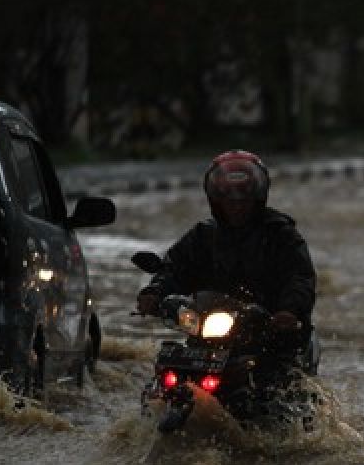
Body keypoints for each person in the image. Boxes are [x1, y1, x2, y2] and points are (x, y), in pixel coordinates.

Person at [136, 150, 317, 366]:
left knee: (284, 370)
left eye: (243, 200)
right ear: (216, 201)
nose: (236, 207)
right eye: (228, 201)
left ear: (257, 199)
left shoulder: (281, 235)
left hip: (269, 329)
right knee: (169, 365)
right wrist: (154, 292)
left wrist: (289, 310)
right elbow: (175, 267)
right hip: (210, 324)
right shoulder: (203, 236)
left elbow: (300, 276)